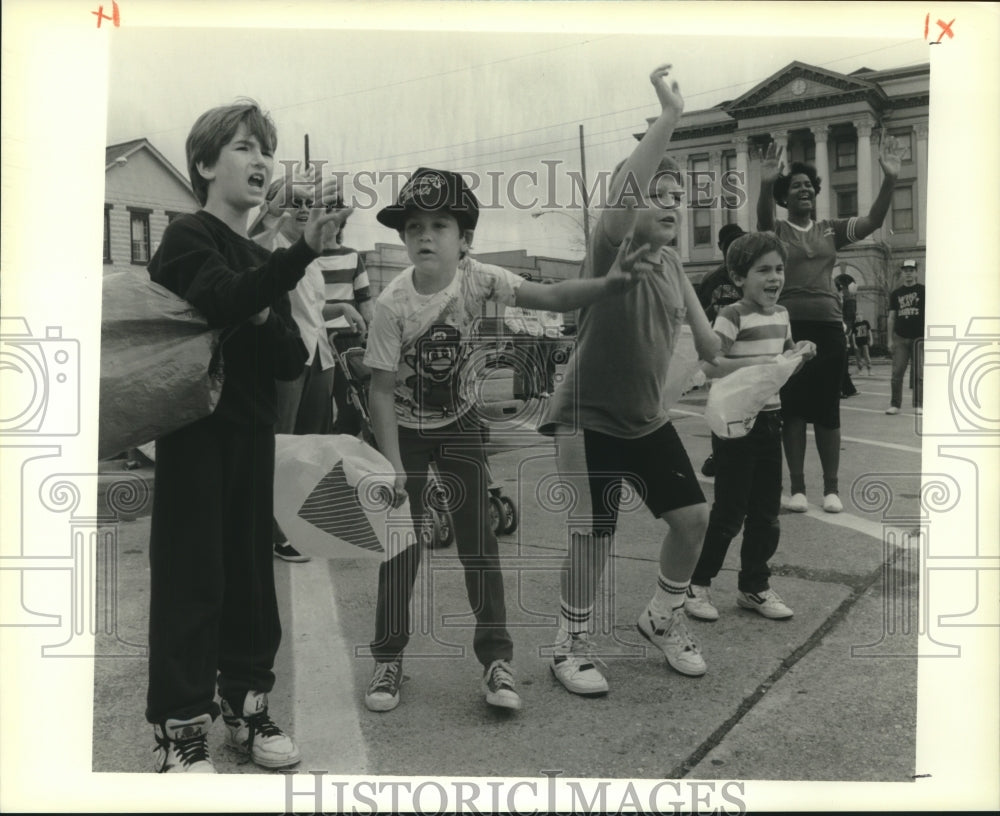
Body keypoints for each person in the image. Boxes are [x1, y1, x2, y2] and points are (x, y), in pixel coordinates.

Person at [361, 166, 649, 713]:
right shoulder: (390, 305)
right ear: (403, 238)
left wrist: (608, 285)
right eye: (414, 226)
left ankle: (497, 661)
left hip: (462, 425)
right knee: (401, 547)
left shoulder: (482, 279)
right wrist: (394, 465)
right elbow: (378, 390)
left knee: (479, 547)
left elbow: (553, 294)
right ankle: (388, 657)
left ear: (464, 239)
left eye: (439, 225)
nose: (425, 235)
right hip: (407, 431)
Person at [144, 100, 344, 772]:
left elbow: (289, 355)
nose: (259, 161)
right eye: (241, 147)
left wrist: (263, 299)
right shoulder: (185, 238)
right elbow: (226, 298)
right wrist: (292, 262)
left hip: (253, 434)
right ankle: (180, 729)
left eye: (265, 149)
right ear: (203, 163)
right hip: (195, 435)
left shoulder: (261, 259)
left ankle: (248, 708)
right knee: (190, 577)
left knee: (251, 582)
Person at [538, 64, 722, 697]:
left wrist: (777, 360)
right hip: (588, 419)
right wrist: (669, 119)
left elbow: (710, 348)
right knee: (592, 535)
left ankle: (660, 617)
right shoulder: (610, 247)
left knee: (693, 519)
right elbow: (624, 197)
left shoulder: (675, 268)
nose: (671, 202)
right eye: (658, 194)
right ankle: (571, 643)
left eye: (678, 197)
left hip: (646, 419)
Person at [757, 136, 905, 513]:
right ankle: (798, 489)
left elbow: (872, 221)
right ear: (784, 197)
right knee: (792, 410)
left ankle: (831, 489)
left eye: (809, 185)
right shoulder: (778, 230)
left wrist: (889, 180)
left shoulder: (830, 229)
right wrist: (764, 182)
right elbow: (760, 223)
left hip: (827, 328)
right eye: (796, 186)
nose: (805, 189)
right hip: (788, 330)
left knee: (826, 410)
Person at [685, 232, 815, 623]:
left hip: (769, 418)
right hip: (735, 422)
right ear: (739, 277)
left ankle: (754, 586)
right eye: (763, 270)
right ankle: (698, 584)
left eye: (779, 269)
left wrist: (802, 353)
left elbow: (784, 359)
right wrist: (757, 366)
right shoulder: (733, 315)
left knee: (765, 512)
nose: (774, 277)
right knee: (729, 511)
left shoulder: (782, 314)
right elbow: (709, 365)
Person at [253, 167, 364, 562]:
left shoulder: (311, 253)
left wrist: (344, 306)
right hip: (288, 360)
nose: (303, 210)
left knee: (311, 444)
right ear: (275, 208)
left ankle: (301, 522)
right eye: (293, 202)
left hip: (321, 356)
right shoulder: (269, 247)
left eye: (307, 203)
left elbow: (312, 307)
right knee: (282, 445)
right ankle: (275, 532)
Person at [316, 201, 375, 436]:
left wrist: (369, 336)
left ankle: (344, 456)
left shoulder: (352, 257)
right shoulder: (305, 258)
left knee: (352, 406)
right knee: (318, 409)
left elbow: (365, 304)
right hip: (315, 341)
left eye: (334, 214)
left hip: (347, 342)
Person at [697, 223, 747, 477]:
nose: (735, 250)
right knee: (721, 407)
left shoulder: (752, 275)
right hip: (720, 355)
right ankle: (719, 454)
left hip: (748, 351)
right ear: (721, 248)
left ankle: (748, 459)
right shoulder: (711, 280)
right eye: (730, 245)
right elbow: (699, 315)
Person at [886, 259, 925, 415]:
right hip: (900, 338)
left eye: (911, 269)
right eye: (905, 270)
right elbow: (891, 318)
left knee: (918, 373)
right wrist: (889, 339)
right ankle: (895, 404)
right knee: (897, 373)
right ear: (902, 272)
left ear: (916, 272)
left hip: (918, 338)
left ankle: (918, 405)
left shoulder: (923, 291)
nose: (908, 272)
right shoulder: (896, 293)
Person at [503, 274, 546, 400]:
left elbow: (537, 319)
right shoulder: (513, 300)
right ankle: (518, 393)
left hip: (534, 336)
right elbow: (508, 319)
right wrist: (519, 331)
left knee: (531, 366)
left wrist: (540, 332)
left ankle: (530, 391)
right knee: (520, 365)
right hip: (522, 336)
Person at [834, 272, 858, 398]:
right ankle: (842, 389)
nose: (842, 293)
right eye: (841, 290)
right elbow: (849, 317)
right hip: (840, 332)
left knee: (843, 362)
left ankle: (847, 388)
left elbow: (850, 318)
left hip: (843, 332)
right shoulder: (844, 301)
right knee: (840, 363)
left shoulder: (846, 300)